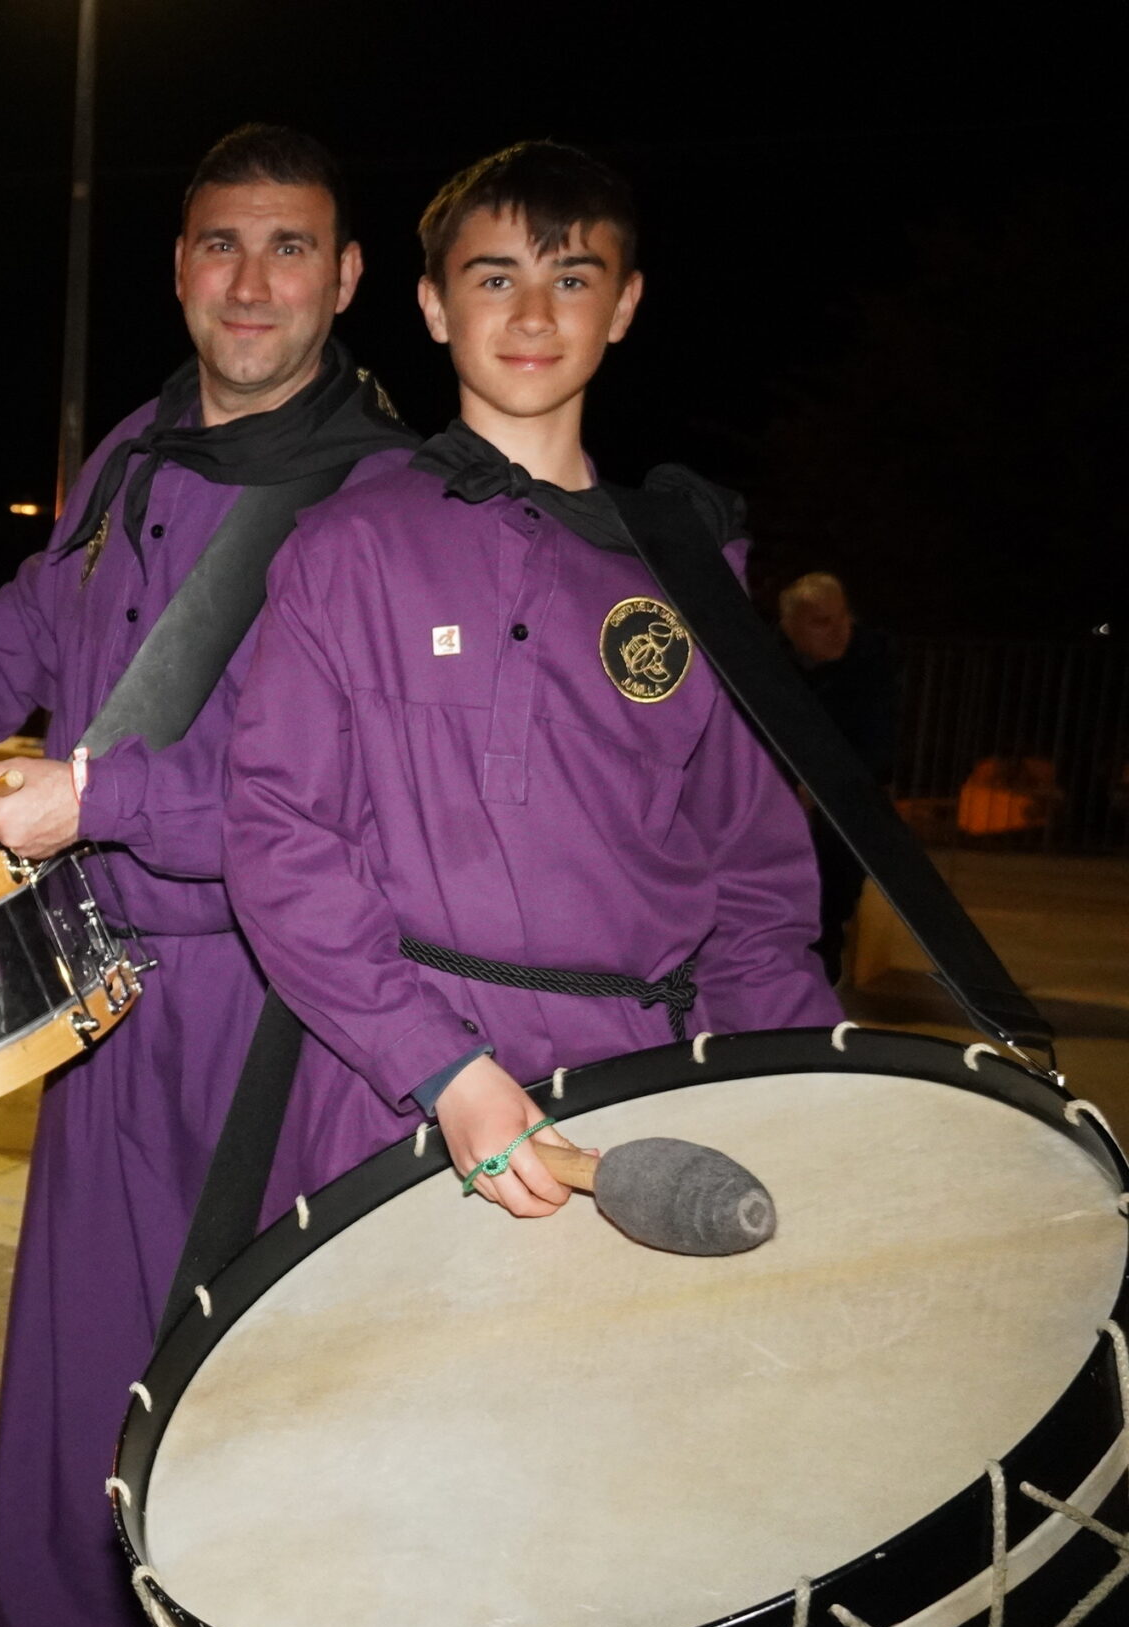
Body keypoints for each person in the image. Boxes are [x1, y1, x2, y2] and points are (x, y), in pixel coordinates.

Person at [0, 125, 412, 1627]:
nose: (251, 280)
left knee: (240, 1357)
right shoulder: (132, 449)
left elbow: (350, 793)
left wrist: (105, 799)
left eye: (290, 247)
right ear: (178, 268)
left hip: (272, 997)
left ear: (347, 277)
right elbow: (19, 636)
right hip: (99, 965)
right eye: (221, 244)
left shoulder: (389, 496)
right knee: (89, 1341)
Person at [224, 140, 839, 1227]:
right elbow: (280, 836)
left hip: (638, 1091)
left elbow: (753, 888)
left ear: (624, 305)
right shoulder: (346, 549)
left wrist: (805, 1101)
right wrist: (440, 1066)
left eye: (573, 278)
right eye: (496, 277)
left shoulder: (687, 569)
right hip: (395, 1090)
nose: (535, 315)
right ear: (433, 305)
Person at [779, 571, 896, 979]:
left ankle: (820, 966)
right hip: (783, 797)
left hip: (844, 801)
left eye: (843, 616)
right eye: (822, 621)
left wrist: (824, 786)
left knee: (833, 876)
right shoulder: (770, 665)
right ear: (791, 627)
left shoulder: (870, 663)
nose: (838, 630)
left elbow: (877, 748)